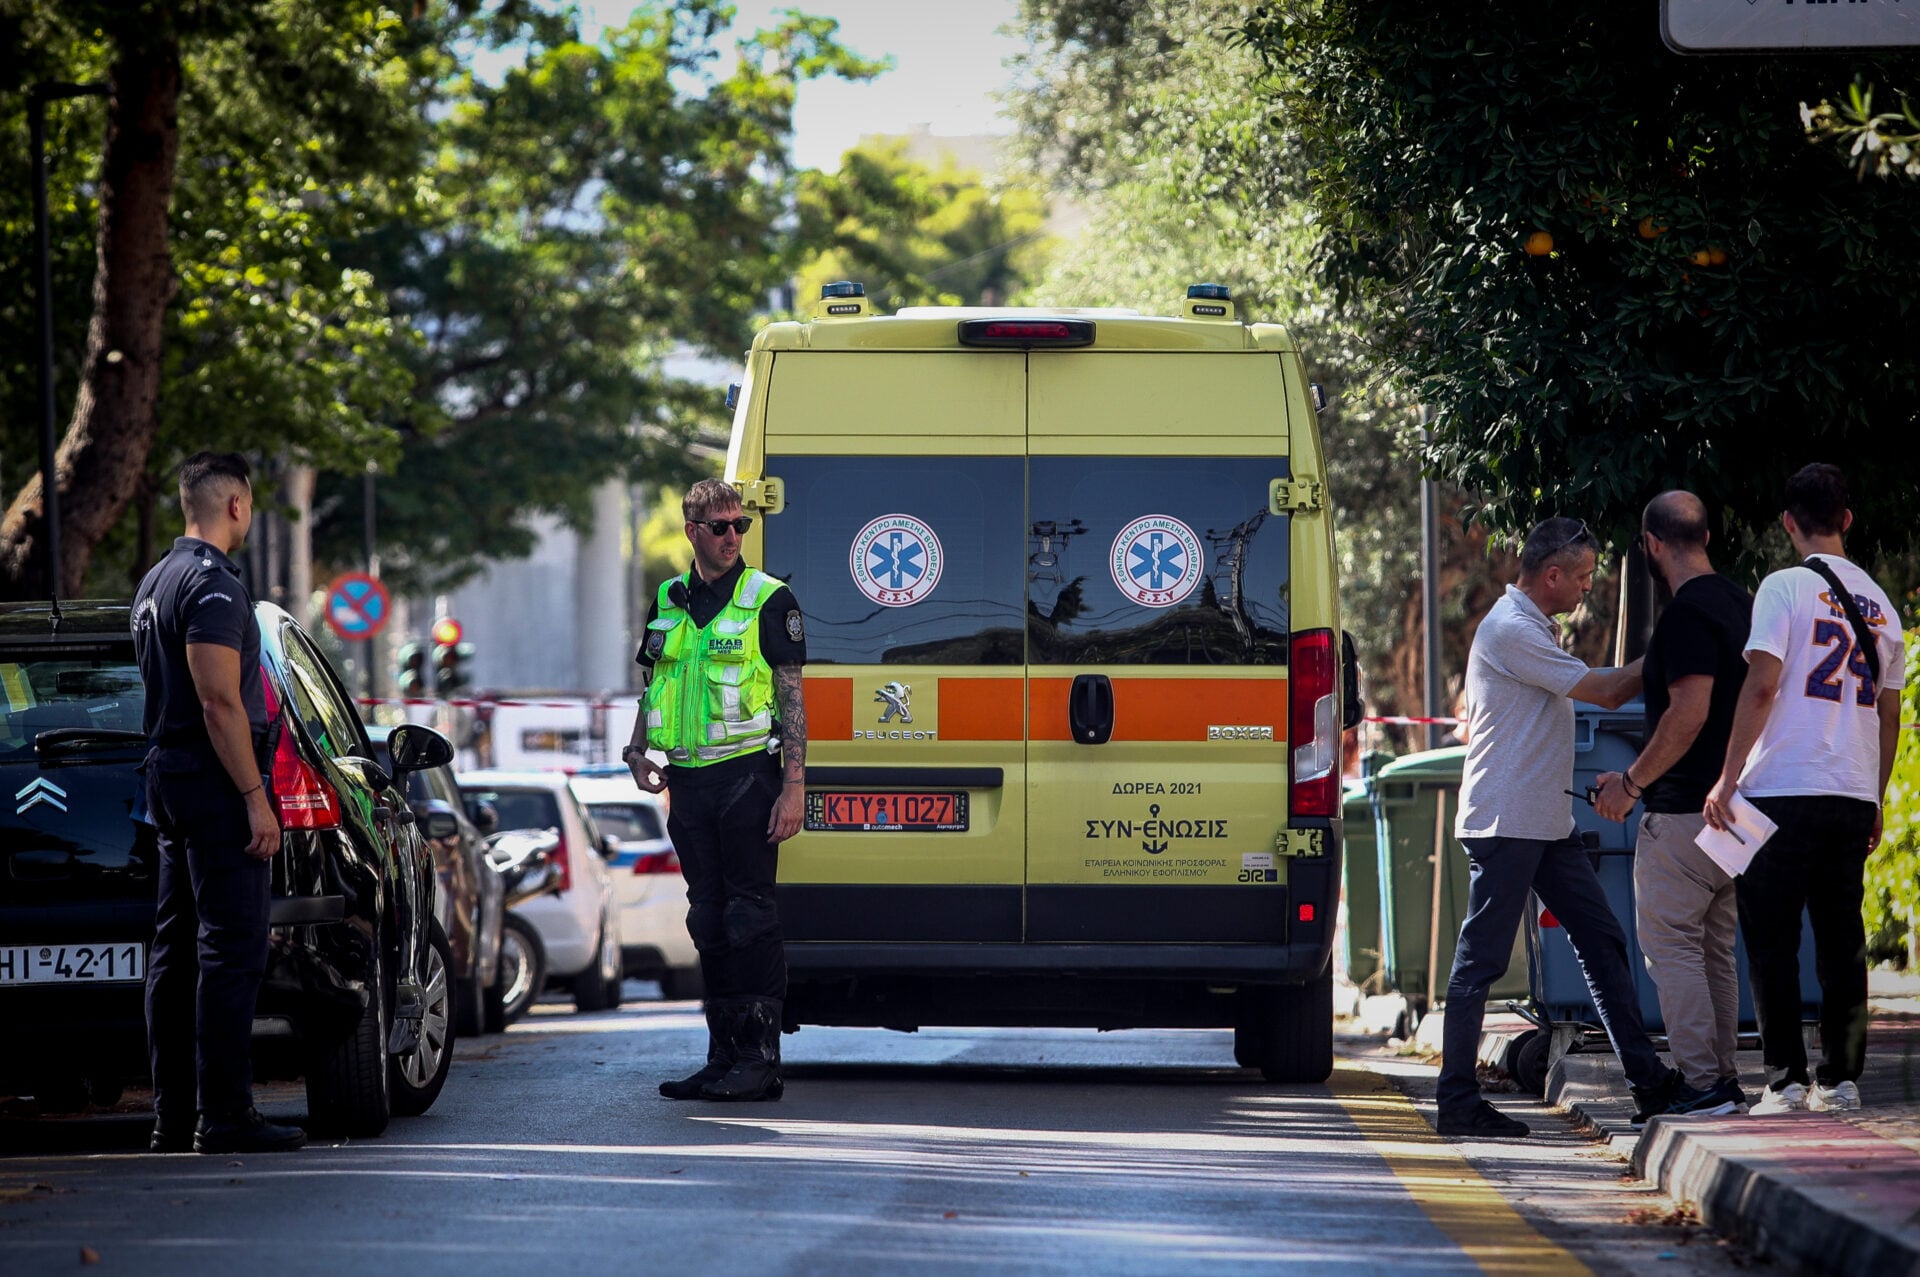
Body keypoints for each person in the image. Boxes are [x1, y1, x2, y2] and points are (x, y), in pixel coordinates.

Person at [1435, 516, 1677, 1138]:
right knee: (1479, 963)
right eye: (1584, 577)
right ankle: (1457, 1103)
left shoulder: (1529, 628)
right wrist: (1681, 649)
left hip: (1545, 821)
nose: (1587, 589)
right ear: (1551, 575)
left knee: (1602, 941)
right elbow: (1607, 692)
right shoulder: (1512, 629)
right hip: (1508, 822)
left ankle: (1649, 1083)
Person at [1705, 463, 1905, 1116]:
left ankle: (1787, 1080)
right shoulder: (1883, 607)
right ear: (1847, 519)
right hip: (1849, 790)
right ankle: (1841, 1079)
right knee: (1842, 938)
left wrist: (1728, 777)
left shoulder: (1782, 588)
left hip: (1780, 787)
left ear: (1789, 523)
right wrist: (1874, 796)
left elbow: (1762, 686)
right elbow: (1889, 712)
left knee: (1772, 939)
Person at [133, 452, 305, 1154]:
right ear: (235, 505)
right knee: (230, 952)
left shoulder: (155, 580)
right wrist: (254, 797)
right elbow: (217, 700)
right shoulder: (211, 586)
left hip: (170, 782)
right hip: (211, 782)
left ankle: (173, 1114)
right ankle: (224, 1113)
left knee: (174, 953)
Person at [626, 478, 807, 1102]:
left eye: (740, 526)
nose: (733, 537)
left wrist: (794, 787)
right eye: (720, 527)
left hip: (747, 775)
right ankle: (722, 1055)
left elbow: (792, 698)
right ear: (692, 532)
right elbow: (655, 683)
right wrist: (634, 748)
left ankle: (759, 1060)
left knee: (749, 915)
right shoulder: (669, 599)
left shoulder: (766, 598)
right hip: (688, 782)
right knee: (707, 918)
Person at [1593, 491, 1752, 1118]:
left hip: (1685, 809)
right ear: (1706, 536)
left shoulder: (1685, 614)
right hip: (1736, 810)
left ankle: (1702, 1083)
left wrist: (1630, 784)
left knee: (1672, 946)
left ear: (1653, 544)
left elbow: (1688, 711)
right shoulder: (1743, 606)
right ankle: (1723, 1080)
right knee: (1714, 946)